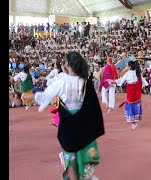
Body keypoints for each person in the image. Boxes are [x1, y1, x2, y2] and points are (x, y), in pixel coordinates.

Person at [32, 51, 105, 180]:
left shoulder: (61, 80)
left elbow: (45, 97)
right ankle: (87, 176)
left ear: (67, 65)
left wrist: (35, 96)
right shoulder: (85, 81)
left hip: (68, 122)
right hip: (83, 121)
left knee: (70, 154)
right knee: (83, 150)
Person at [110, 60, 148, 130]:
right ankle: (135, 121)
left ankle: (133, 123)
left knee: (130, 106)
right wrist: (143, 87)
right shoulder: (138, 73)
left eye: (127, 66)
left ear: (129, 67)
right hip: (137, 93)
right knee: (136, 105)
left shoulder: (127, 74)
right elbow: (144, 82)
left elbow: (120, 82)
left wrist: (112, 81)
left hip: (131, 92)